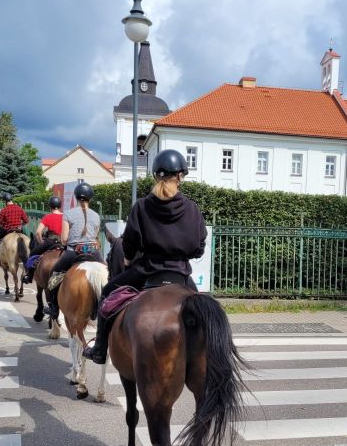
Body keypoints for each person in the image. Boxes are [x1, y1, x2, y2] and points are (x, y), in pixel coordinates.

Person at [83, 149, 207, 364]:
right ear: (180, 176)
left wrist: (128, 260)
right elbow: (199, 247)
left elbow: (129, 242)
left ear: (155, 176)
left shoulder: (141, 206)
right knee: (206, 314)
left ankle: (100, 349)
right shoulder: (192, 209)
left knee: (107, 293)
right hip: (180, 275)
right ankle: (207, 358)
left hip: (147, 271)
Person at [44, 182, 104, 319]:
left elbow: (64, 239)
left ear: (76, 197)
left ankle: (54, 307)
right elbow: (95, 236)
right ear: (91, 198)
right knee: (109, 275)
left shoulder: (68, 214)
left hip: (73, 252)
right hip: (93, 253)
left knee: (54, 275)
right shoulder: (96, 215)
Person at [21, 196, 64, 283]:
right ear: (60, 206)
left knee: (33, 254)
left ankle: (29, 275)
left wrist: (41, 242)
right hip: (63, 242)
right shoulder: (66, 216)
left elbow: (38, 232)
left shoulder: (48, 217)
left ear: (50, 206)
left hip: (50, 242)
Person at [0, 193, 29, 257]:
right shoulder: (19, 208)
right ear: (11, 199)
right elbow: (26, 221)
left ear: (5, 201)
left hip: (7, 230)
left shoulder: (3, 210)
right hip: (18, 230)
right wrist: (20, 225)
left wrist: (3, 225)